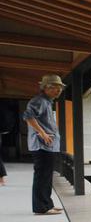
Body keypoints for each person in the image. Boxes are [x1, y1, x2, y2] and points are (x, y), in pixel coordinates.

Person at [23, 74, 65, 214]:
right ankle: (41, 207)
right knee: (42, 176)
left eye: (59, 87)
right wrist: (42, 133)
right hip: (41, 145)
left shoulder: (47, 102)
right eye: (54, 87)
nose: (58, 90)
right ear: (45, 88)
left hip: (48, 145)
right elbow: (28, 116)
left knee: (46, 176)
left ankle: (47, 204)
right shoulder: (39, 100)